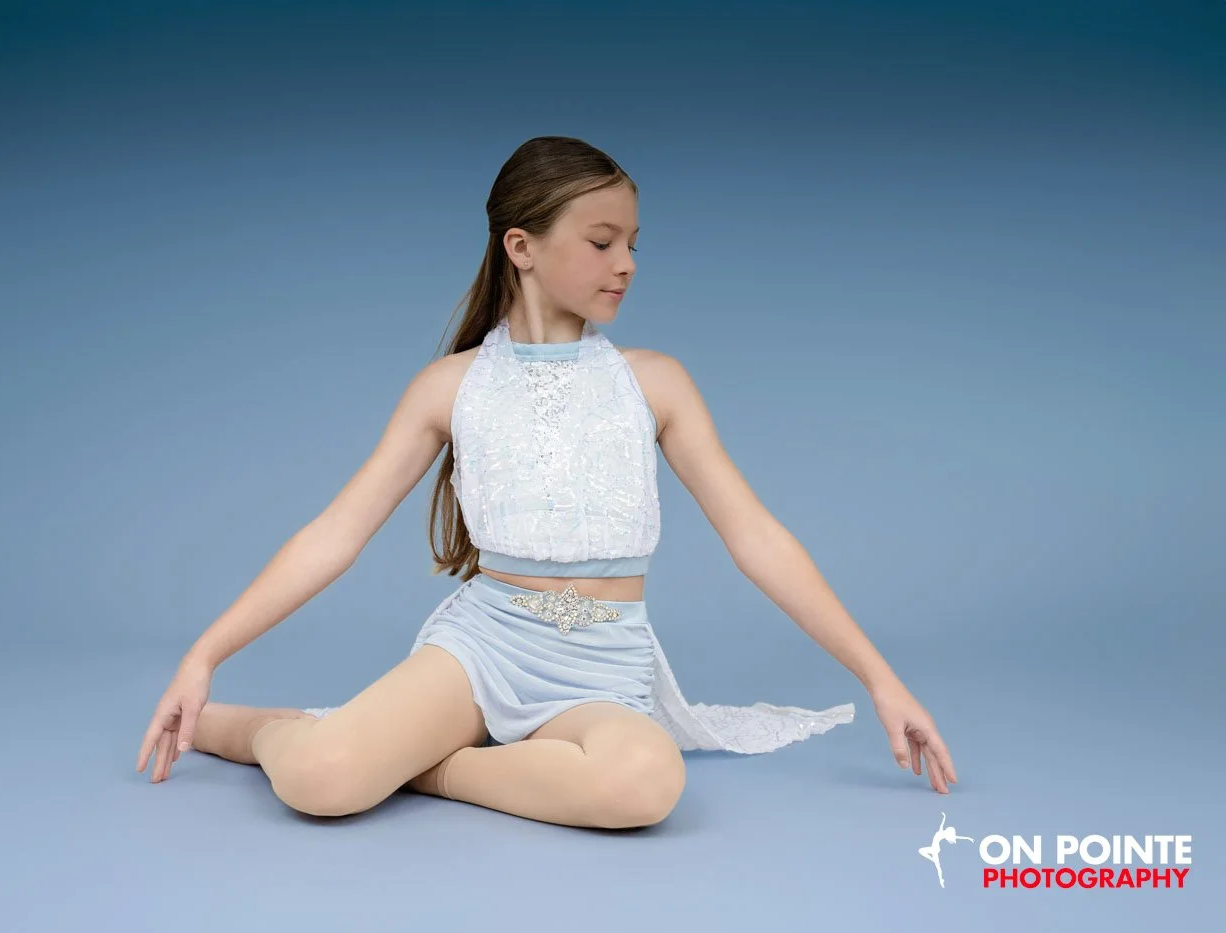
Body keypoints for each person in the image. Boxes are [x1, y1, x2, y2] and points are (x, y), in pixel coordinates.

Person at [135, 136, 959, 829]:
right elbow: (334, 534)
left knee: (645, 784)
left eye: (634, 242)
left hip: (604, 666)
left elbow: (758, 538)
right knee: (322, 781)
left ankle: (428, 766)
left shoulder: (656, 382)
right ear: (521, 247)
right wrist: (206, 654)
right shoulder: (450, 387)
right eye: (602, 242)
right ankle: (235, 726)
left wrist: (880, 677)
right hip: (484, 647)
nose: (626, 264)